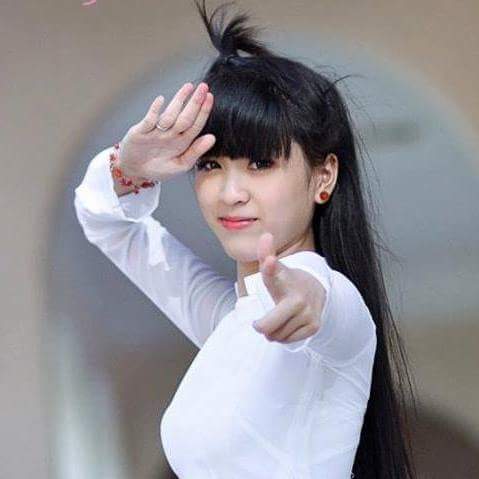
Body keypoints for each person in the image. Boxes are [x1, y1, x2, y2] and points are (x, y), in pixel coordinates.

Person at [74, 1, 418, 477]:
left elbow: (324, 306)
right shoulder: (230, 323)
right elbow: (108, 223)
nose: (230, 193)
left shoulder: (334, 307)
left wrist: (310, 298)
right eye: (211, 165)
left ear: (324, 176)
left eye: (260, 163)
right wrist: (127, 167)